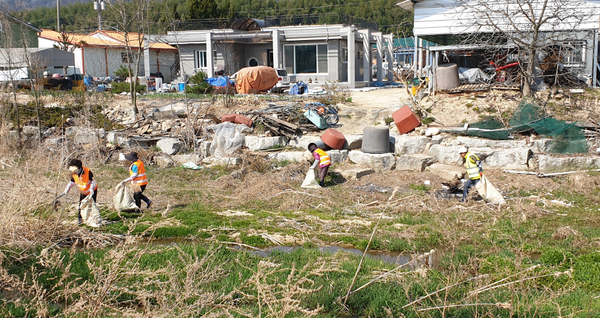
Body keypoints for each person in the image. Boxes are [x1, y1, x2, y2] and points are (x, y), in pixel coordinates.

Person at [62, 158, 98, 224]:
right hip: (83, 192)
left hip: (92, 191)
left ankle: (92, 219)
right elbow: (71, 182)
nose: (73, 172)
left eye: (75, 170)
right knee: (81, 205)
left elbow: (93, 181)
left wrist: (91, 190)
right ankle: (80, 220)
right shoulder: (74, 173)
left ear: (79, 168)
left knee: (91, 205)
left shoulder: (87, 171)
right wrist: (66, 190)